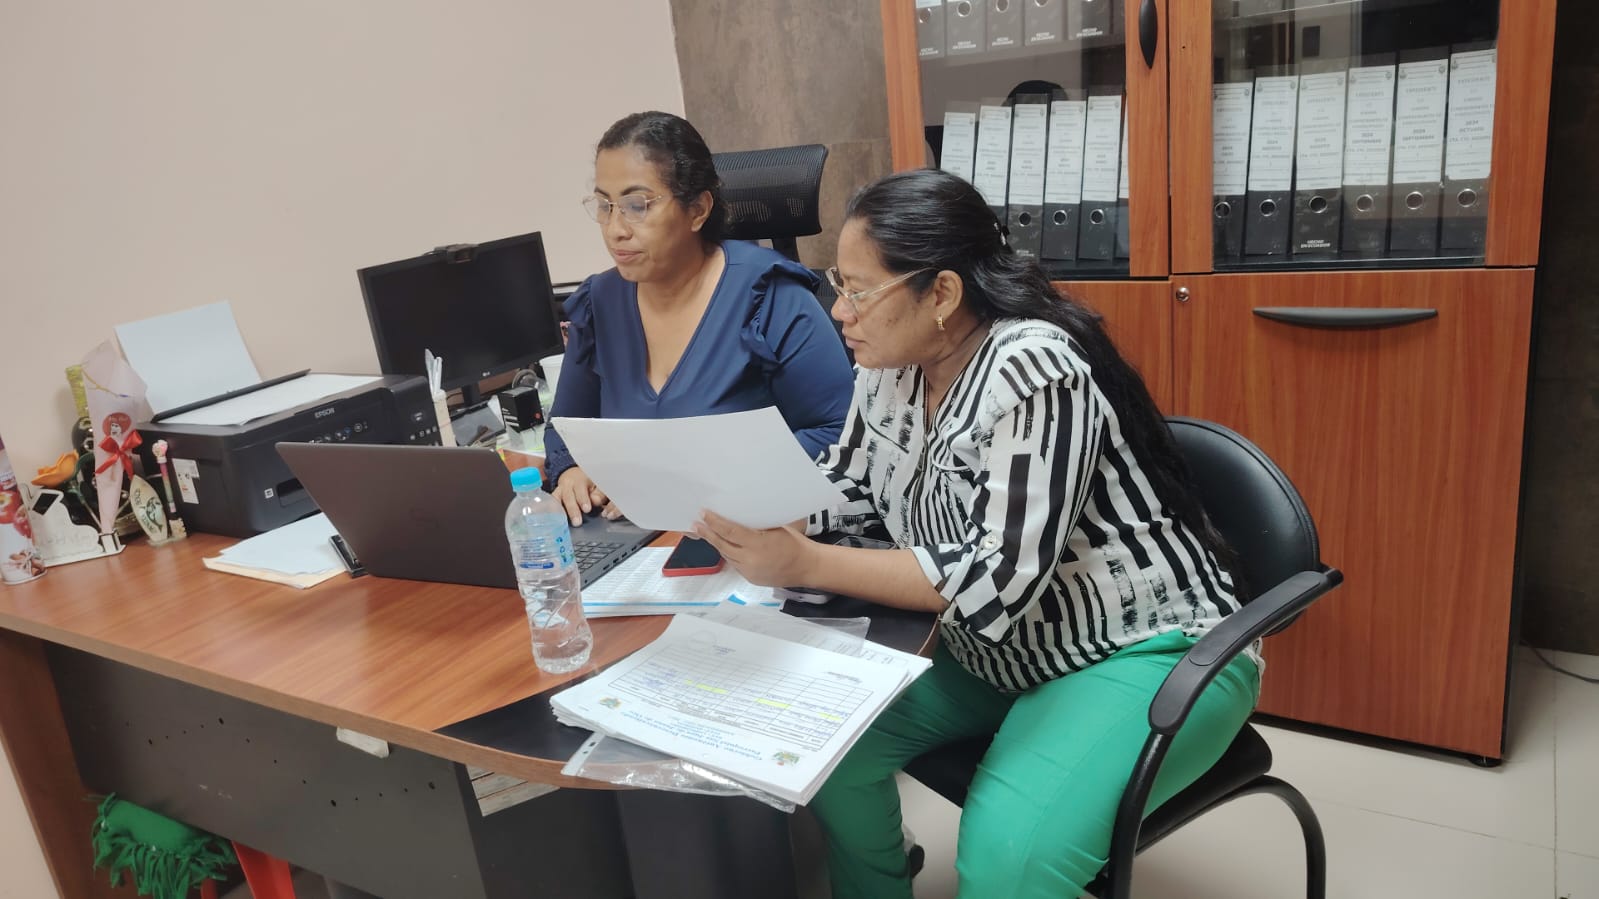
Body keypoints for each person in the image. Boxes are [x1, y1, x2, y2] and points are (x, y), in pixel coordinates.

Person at [694, 169, 1261, 899]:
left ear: (940, 294)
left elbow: (992, 582)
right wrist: (764, 508)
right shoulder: (889, 366)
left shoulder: (1032, 372)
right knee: (823, 745)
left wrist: (802, 561)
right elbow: (850, 490)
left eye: (859, 291)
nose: (840, 310)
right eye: (839, 284)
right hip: (1000, 654)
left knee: (1007, 859)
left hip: (1144, 652)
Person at [542, 111, 855, 525]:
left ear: (698, 210)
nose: (615, 229)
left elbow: (838, 432)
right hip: (636, 538)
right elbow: (566, 427)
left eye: (636, 206)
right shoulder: (598, 303)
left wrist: (695, 487)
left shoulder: (770, 297)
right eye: (604, 205)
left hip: (750, 536)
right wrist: (571, 472)